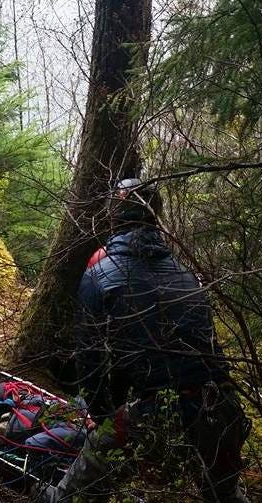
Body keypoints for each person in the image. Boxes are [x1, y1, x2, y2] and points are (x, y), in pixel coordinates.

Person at [37, 178, 250, 503]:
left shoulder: (100, 274)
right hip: (220, 411)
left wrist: (106, 421)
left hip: (156, 414)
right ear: (157, 218)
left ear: (112, 219)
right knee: (226, 495)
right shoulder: (184, 274)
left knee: (70, 497)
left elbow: (90, 363)